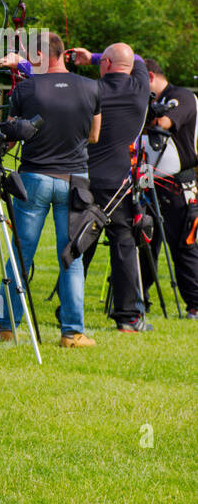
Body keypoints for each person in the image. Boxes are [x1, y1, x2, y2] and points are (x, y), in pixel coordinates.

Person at [0, 32, 101, 347]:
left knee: (20, 254)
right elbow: (94, 135)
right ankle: (72, 332)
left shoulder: (25, 88)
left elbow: (12, 135)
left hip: (34, 179)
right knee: (72, 256)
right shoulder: (91, 87)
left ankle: (6, 325)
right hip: (75, 179)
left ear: (41, 56)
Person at [72, 43, 151, 331]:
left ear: (106, 64)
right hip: (120, 182)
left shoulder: (90, 89)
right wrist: (93, 57)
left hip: (87, 177)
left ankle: (69, 310)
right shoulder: (141, 87)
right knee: (124, 245)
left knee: (80, 244)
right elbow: (137, 58)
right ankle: (128, 317)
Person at [141, 57, 198, 317]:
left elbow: (163, 124)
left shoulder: (181, 96)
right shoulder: (150, 100)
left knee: (184, 246)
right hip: (148, 181)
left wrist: (143, 114)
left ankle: (195, 304)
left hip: (179, 184)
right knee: (143, 242)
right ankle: (138, 299)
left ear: (150, 77)